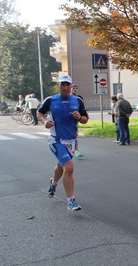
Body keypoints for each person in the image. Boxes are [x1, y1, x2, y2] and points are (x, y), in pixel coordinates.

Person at [36, 74, 88, 212]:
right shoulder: (51, 100)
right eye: (62, 84)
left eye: (68, 84)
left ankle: (53, 183)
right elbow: (39, 113)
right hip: (56, 139)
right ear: (58, 85)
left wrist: (80, 117)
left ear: (71, 86)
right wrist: (45, 121)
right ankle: (71, 201)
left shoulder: (77, 100)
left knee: (60, 166)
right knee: (69, 168)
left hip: (71, 141)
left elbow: (85, 119)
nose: (65, 87)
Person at [71, 84, 86, 157]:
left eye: (76, 88)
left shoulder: (79, 98)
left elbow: (82, 108)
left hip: (76, 117)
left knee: (75, 133)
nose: (75, 89)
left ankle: (76, 150)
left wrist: (83, 116)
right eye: (73, 88)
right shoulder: (66, 97)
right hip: (67, 117)